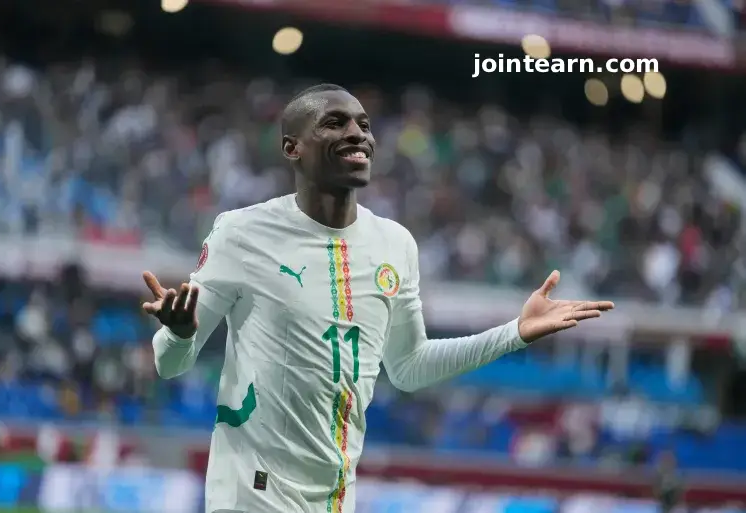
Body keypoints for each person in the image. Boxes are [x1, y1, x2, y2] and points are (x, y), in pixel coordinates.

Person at [143, 84, 615, 513]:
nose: (357, 134)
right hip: (252, 494)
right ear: (292, 148)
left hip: (335, 499)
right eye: (335, 123)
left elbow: (408, 367)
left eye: (364, 125)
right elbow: (168, 363)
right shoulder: (242, 233)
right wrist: (180, 335)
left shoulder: (395, 245)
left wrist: (514, 333)